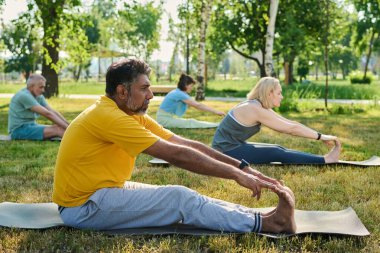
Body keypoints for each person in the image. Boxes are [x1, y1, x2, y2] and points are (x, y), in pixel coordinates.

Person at [53, 58, 296, 234]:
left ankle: (261, 218)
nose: (151, 95)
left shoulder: (127, 111)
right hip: (84, 206)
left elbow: (182, 142)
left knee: (182, 196)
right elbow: (176, 154)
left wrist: (242, 167)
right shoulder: (110, 117)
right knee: (179, 198)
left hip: (102, 191)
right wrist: (234, 175)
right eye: (144, 88)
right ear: (121, 91)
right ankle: (269, 224)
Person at [212, 77, 341, 165]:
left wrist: (319, 135)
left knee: (277, 147)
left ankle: (323, 158)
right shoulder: (254, 109)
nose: (282, 96)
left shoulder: (258, 105)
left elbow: (292, 124)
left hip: (232, 146)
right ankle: (326, 160)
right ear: (269, 93)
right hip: (224, 153)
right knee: (276, 152)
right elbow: (291, 130)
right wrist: (320, 137)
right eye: (279, 93)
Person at [8, 74, 69, 140]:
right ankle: (78, 142)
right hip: (18, 131)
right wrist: (68, 128)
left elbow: (51, 111)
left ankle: (77, 138)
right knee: (58, 129)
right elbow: (47, 114)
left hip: (31, 125)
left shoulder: (39, 96)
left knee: (58, 127)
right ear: (31, 87)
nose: (43, 90)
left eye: (43, 87)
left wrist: (69, 125)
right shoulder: (24, 96)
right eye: (41, 87)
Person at [156, 73, 225, 128]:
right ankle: (217, 125)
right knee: (191, 122)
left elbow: (194, 104)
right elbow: (198, 105)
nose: (192, 88)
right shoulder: (179, 94)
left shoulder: (178, 92)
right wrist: (216, 111)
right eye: (191, 86)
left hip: (164, 119)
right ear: (185, 85)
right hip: (164, 120)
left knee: (190, 122)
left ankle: (217, 124)